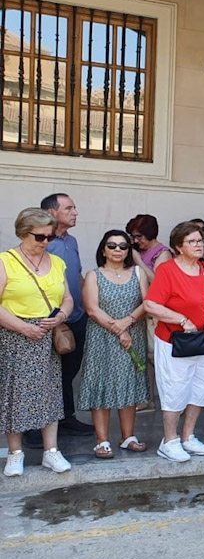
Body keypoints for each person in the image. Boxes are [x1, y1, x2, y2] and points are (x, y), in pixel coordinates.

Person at [142, 221, 204, 463]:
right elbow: (151, 304)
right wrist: (181, 319)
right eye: (192, 241)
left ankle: (188, 436)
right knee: (174, 390)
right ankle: (169, 441)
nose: (199, 245)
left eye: (200, 240)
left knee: (200, 390)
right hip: (175, 341)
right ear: (179, 246)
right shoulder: (167, 270)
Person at [1, 208, 75, 476]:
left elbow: (67, 298)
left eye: (49, 237)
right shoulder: (5, 261)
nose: (45, 242)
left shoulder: (56, 262)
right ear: (23, 233)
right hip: (15, 335)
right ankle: (15, 453)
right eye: (40, 237)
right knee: (14, 394)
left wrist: (61, 316)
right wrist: (23, 327)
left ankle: (51, 451)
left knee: (50, 392)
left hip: (47, 334)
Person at [80, 230, 150, 458]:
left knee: (129, 382)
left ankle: (128, 436)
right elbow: (91, 309)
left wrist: (127, 323)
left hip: (133, 334)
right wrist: (118, 329)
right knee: (101, 383)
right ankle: (102, 441)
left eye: (122, 246)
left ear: (128, 250)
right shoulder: (94, 275)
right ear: (103, 250)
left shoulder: (138, 272)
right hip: (102, 338)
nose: (117, 250)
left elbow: (147, 302)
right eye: (112, 246)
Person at [39, 193, 95, 439]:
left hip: (77, 317)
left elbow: (78, 275)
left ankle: (65, 417)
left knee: (69, 371)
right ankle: (35, 426)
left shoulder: (72, 241)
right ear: (52, 213)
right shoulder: (42, 242)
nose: (75, 212)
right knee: (45, 373)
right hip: (50, 320)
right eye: (69, 208)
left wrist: (88, 306)